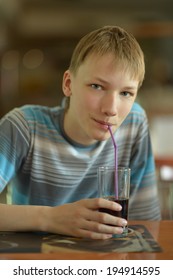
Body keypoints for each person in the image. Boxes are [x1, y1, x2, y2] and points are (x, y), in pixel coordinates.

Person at [0, 25, 161, 240]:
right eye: (96, 86)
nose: (111, 109)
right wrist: (49, 218)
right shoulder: (24, 127)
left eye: (125, 93)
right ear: (68, 84)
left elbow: (147, 222)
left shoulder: (134, 123)